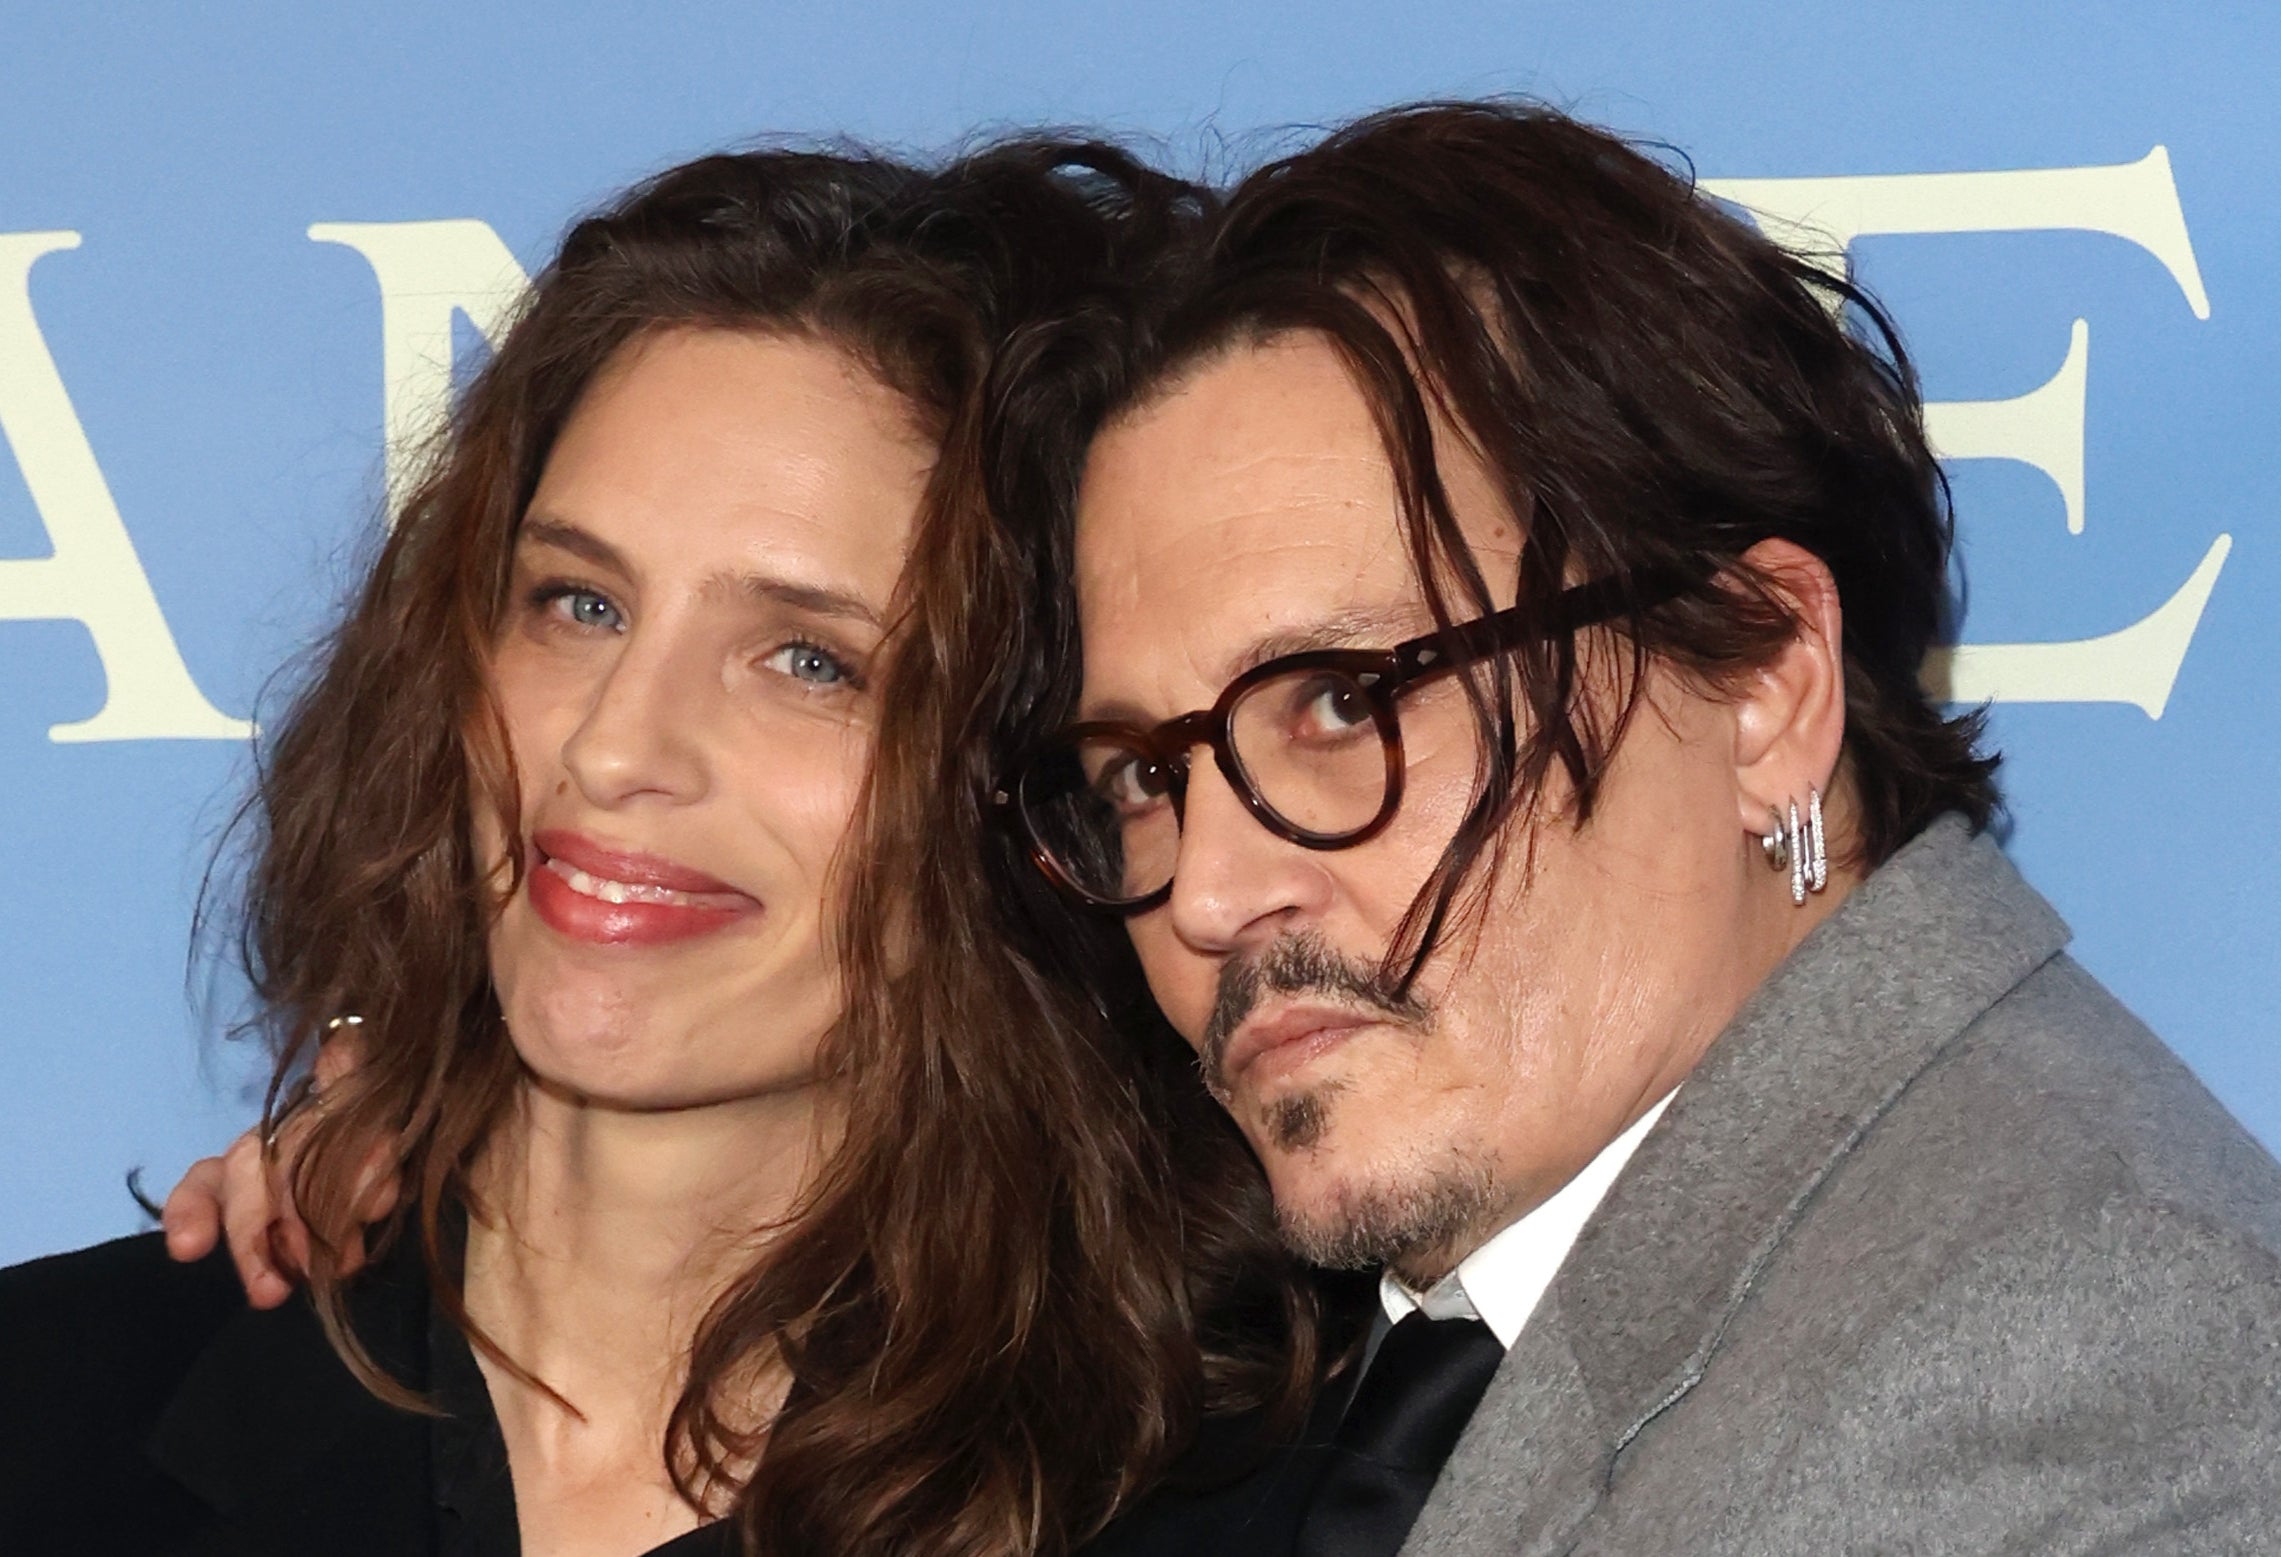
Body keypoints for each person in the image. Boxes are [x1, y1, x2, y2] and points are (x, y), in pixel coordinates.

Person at [977, 102, 2281, 1552]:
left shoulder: (2079, 1352)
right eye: (1140, 776)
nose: (1212, 894)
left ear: (1761, 684)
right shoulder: (1304, 1379)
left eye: (1340, 702)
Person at [0, 140, 1331, 1557]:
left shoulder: (1261, 1498)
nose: (616, 749)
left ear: (1045, 779)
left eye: (811, 660)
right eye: (579, 604)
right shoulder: (51, 1406)